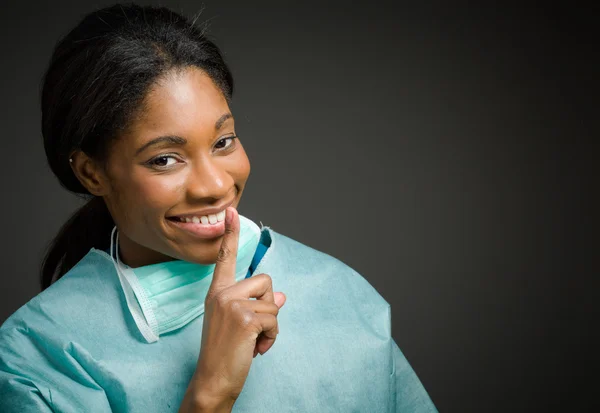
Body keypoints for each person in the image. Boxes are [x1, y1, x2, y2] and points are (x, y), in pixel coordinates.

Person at [0, 3, 437, 412]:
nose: (214, 185)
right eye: (164, 159)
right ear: (92, 174)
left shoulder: (338, 293)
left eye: (223, 142)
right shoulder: (40, 356)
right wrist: (210, 394)